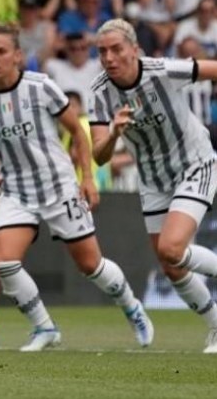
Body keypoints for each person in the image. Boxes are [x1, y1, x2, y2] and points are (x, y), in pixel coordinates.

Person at [0, 25, 153, 352]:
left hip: (59, 187)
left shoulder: (41, 87)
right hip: (16, 192)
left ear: (18, 56)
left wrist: (87, 179)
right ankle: (44, 327)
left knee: (90, 265)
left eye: (1, 52)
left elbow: (78, 132)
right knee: (4, 261)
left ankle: (132, 308)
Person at [89, 19, 217, 353]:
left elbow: (212, 68)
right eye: (102, 52)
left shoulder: (162, 70)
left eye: (117, 49)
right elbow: (99, 156)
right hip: (153, 181)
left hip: (195, 163)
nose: (109, 58)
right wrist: (115, 133)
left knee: (172, 249)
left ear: (134, 49)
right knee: (171, 266)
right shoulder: (100, 93)